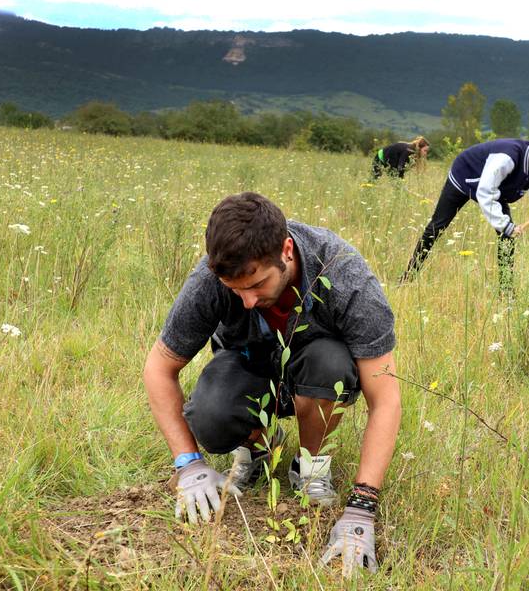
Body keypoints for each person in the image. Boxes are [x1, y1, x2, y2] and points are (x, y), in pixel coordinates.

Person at [143, 192, 401, 575]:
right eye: (236, 290)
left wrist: (362, 506)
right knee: (211, 415)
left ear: (286, 250)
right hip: (250, 367)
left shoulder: (346, 275)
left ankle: (311, 466)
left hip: (314, 371)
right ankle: (261, 446)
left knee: (329, 362)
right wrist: (188, 464)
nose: (247, 301)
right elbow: (159, 367)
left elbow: (386, 400)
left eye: (257, 284)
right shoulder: (210, 279)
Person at [402, 137, 529, 286]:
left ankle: (506, 292)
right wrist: (506, 225)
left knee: (507, 240)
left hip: (497, 190)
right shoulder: (507, 157)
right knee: (437, 227)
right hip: (464, 176)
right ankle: (408, 277)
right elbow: (485, 192)